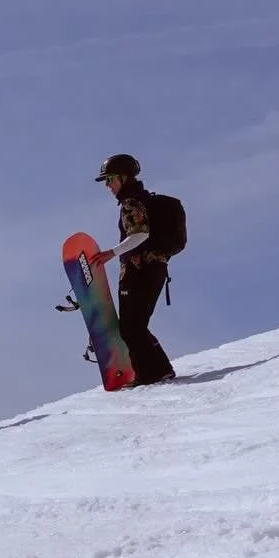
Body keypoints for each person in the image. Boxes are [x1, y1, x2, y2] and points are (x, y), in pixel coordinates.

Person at [90, 153, 176, 386]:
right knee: (135, 326)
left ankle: (152, 373)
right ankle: (158, 370)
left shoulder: (131, 201)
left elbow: (140, 234)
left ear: (123, 177)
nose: (107, 186)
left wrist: (112, 253)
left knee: (131, 327)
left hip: (140, 271)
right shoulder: (142, 198)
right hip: (155, 269)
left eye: (109, 180)